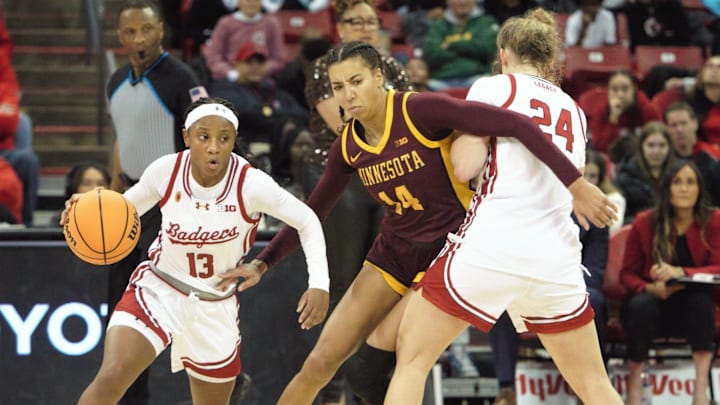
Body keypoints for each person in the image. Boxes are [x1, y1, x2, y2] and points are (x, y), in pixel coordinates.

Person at [217, 40, 617, 405]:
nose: (348, 94)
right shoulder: (349, 145)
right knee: (321, 363)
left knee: (385, 364)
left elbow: (514, 123)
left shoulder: (419, 109)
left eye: (356, 81)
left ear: (379, 77)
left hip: (450, 251)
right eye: (338, 87)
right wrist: (263, 262)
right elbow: (313, 212)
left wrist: (575, 183)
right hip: (395, 251)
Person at [384, 9, 622, 405]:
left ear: (504, 53)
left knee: (412, 358)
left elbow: (465, 168)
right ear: (549, 58)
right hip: (555, 261)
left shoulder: (495, 88)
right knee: (595, 386)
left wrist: (454, 138)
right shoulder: (577, 113)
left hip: (494, 246)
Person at [65, 97, 330, 405]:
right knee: (113, 375)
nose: (214, 146)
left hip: (213, 305)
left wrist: (319, 283)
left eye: (224, 138)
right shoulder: (165, 171)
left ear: (234, 140)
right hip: (158, 289)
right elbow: (121, 209)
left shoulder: (251, 183)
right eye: (204, 136)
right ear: (187, 136)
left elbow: (307, 219)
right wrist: (80, 210)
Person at [296, 0, 411, 402]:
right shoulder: (325, 67)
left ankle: (372, 388)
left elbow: (409, 122)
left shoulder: (393, 67)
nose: (363, 27)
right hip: (341, 177)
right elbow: (347, 120)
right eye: (354, 21)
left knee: (386, 284)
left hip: (389, 176)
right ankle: (333, 393)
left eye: (370, 21)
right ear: (339, 27)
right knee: (344, 282)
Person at [106, 1, 205, 402]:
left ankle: (225, 388)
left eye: (145, 30)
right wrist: (114, 195)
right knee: (124, 313)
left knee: (191, 313)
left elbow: (205, 137)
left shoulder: (181, 78)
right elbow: (122, 139)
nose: (138, 39)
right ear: (120, 36)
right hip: (129, 207)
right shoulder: (114, 81)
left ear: (160, 30)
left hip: (172, 207)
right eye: (130, 32)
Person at [619, 159, 720, 405]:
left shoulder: (714, 220)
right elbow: (626, 274)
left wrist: (680, 270)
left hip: (693, 305)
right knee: (641, 305)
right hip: (651, 304)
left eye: (690, 182)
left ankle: (700, 390)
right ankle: (634, 384)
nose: (684, 189)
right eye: (677, 182)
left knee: (700, 303)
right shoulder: (645, 222)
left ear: (699, 188)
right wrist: (648, 288)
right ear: (667, 188)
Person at [0, 9, 39, 226]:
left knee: (27, 162)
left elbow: (9, 119)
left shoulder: (1, 64)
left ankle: (26, 230)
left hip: (3, 151)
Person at [422, 0, 500, 91]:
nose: (463, 2)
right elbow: (430, 56)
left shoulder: (487, 22)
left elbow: (488, 50)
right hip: (440, 82)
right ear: (448, 2)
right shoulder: (437, 26)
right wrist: (470, 49)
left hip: (478, 79)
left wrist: (451, 45)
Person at [586, 70, 661, 163]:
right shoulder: (602, 111)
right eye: (614, 89)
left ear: (634, 89)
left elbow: (659, 140)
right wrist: (613, 119)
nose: (620, 95)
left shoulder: (648, 109)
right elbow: (601, 148)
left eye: (625, 89)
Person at [203, 0, 286, 82]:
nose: (252, 3)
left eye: (256, 0)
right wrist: (232, 73)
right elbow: (214, 59)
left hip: (262, 78)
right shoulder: (225, 23)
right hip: (230, 79)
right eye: (248, 0)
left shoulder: (271, 24)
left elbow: (278, 59)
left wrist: (261, 70)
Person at [614, 121, 675, 224]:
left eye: (662, 145)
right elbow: (618, 217)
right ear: (641, 147)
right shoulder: (624, 179)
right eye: (651, 145)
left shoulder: (679, 174)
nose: (656, 151)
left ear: (669, 147)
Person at [664, 101, 720, 206]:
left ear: (695, 123)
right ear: (666, 128)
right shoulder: (662, 160)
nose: (679, 129)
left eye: (684, 123)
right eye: (673, 125)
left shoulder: (714, 155)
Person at [585, 148, 626, 230]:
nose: (586, 180)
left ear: (600, 178)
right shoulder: (563, 196)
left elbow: (613, 227)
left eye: (592, 176)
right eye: (582, 174)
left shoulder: (614, 199)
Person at [687, 55, 720, 145]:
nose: (714, 70)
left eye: (719, 67)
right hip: (702, 152)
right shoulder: (689, 104)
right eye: (709, 66)